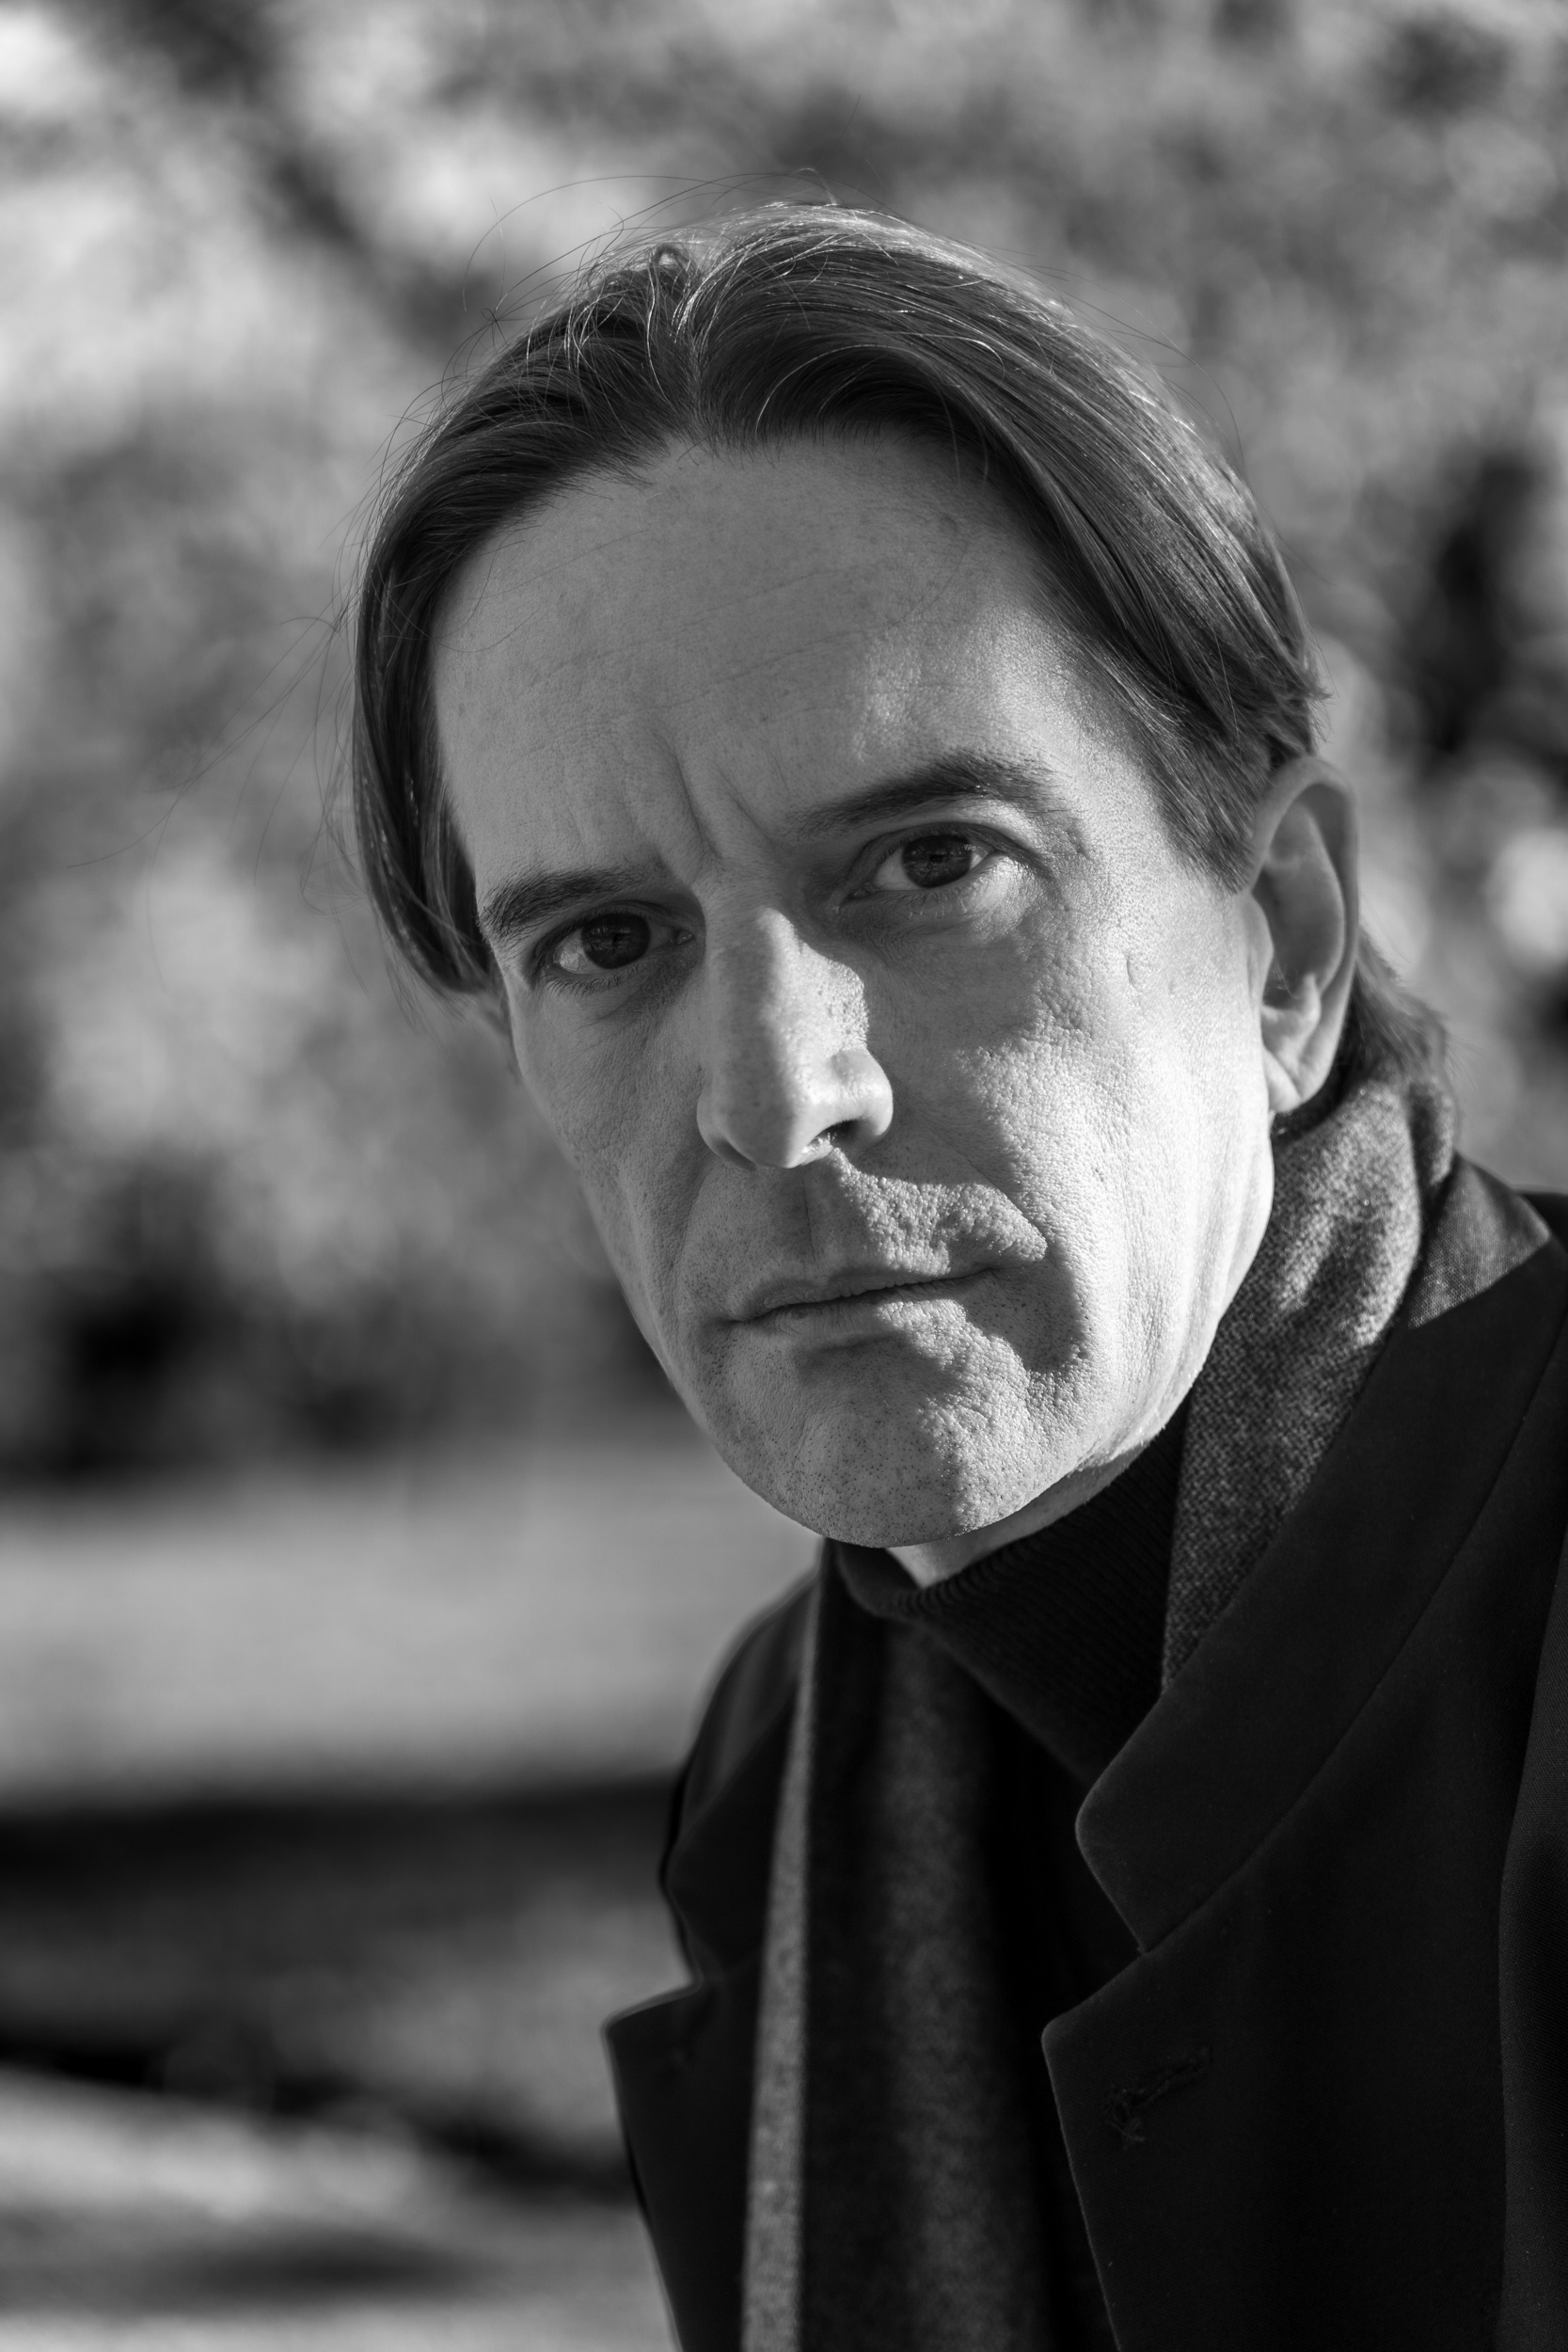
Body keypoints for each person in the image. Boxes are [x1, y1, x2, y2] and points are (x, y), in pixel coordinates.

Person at [350, 203, 1568, 2352]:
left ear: (1282, 943)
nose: (776, 1094)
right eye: (609, 941)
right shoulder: (788, 1766)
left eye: (931, 865)